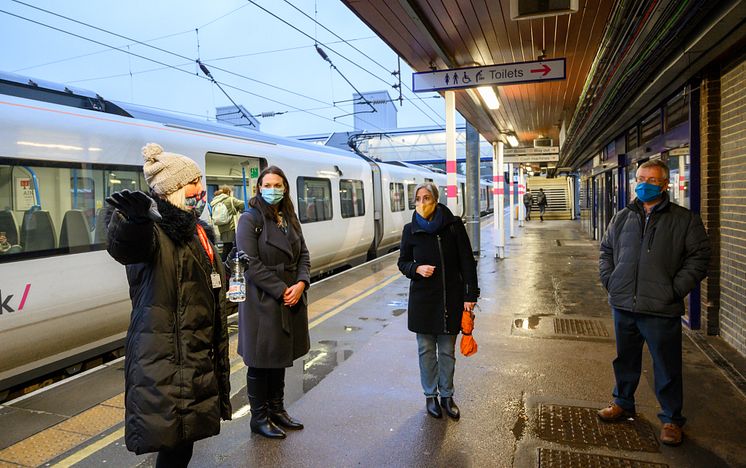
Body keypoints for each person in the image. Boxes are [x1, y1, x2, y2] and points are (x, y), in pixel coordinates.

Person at [105, 143, 232, 467]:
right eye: (194, 183)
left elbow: (204, 280)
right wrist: (131, 222)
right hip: (167, 357)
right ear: (173, 188)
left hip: (192, 352)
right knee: (174, 444)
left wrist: (228, 268)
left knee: (183, 442)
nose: (201, 190)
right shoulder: (155, 231)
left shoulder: (196, 231)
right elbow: (128, 248)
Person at [598, 159, 710, 446]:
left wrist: (673, 290)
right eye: (640, 178)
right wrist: (611, 281)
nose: (644, 184)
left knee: (666, 364)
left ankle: (671, 419)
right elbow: (607, 250)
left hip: (661, 308)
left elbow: (699, 259)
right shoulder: (622, 217)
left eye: (651, 179)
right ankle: (622, 402)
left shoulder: (684, 220)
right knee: (625, 359)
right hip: (623, 304)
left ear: (664, 184)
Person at [235, 166, 311, 439]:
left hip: (290, 295)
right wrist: (283, 289)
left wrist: (301, 283)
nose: (273, 189)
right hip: (262, 300)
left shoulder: (289, 218)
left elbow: (303, 254)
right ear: (258, 188)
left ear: (285, 188)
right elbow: (250, 264)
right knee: (260, 360)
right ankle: (259, 417)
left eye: (278, 185)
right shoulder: (249, 219)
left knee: (279, 358)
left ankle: (277, 410)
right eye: (267, 185)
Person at [397, 183, 479, 420]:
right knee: (425, 350)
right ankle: (430, 396)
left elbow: (467, 262)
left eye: (427, 198)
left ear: (436, 198)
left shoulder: (452, 226)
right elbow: (402, 263)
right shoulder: (409, 230)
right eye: (418, 199)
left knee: (446, 351)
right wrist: (416, 268)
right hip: (423, 300)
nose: (422, 203)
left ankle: (447, 396)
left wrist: (470, 295)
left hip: (449, 299)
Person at [210, 185, 244, 260]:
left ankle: (225, 262)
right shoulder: (229, 199)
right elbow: (242, 204)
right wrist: (239, 210)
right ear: (228, 192)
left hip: (221, 227)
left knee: (227, 245)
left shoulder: (216, 200)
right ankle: (224, 263)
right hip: (230, 226)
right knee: (229, 246)